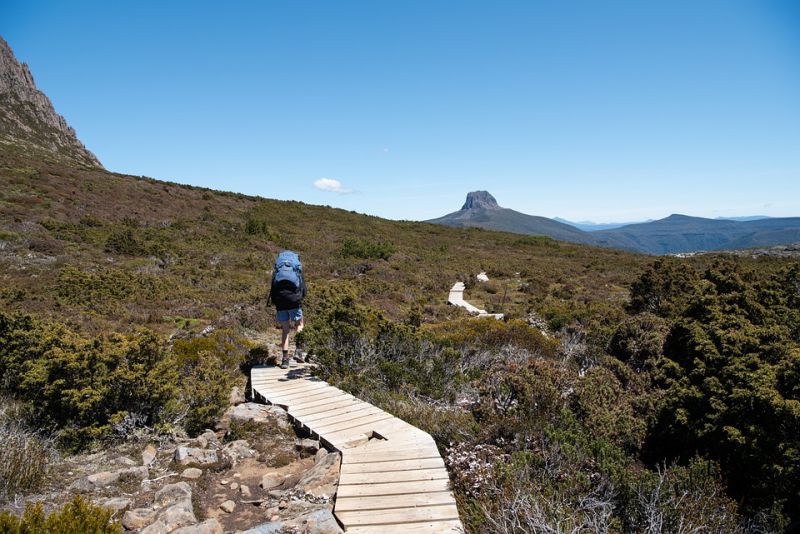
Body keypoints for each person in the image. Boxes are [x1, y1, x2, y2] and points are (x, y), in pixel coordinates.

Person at [267, 250, 307, 369]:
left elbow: (272, 288)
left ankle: (285, 360)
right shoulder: (296, 270)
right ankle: (298, 351)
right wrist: (299, 298)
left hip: (280, 302)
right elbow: (303, 289)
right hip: (294, 301)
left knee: (285, 330)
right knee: (299, 325)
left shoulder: (278, 270)